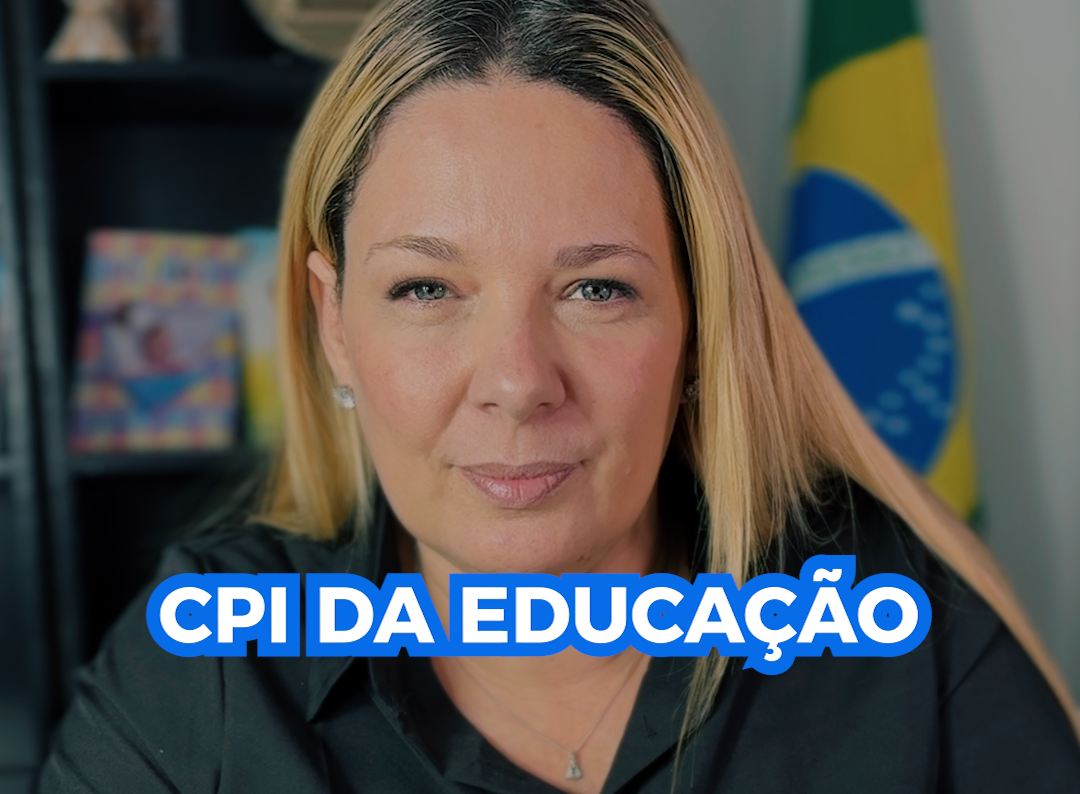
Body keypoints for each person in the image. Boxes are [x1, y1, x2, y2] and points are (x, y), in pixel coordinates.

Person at [36, 0, 1080, 792]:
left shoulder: (897, 622)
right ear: (334, 324)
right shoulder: (209, 663)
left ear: (698, 320)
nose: (517, 382)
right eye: (426, 288)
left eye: (597, 289)